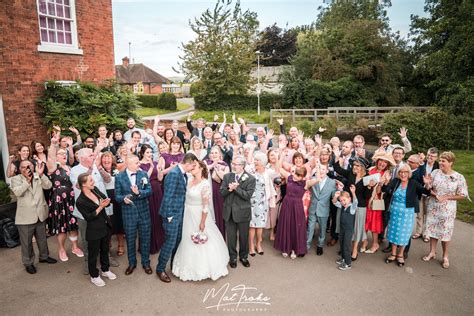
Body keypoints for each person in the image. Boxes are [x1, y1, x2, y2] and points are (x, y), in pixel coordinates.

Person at [172, 161, 229, 281]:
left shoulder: (205, 185)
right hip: (187, 214)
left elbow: (205, 206)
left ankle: (204, 267)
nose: (192, 167)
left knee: (201, 237)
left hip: (198, 215)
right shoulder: (188, 180)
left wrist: (202, 222)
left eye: (195, 166)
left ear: (202, 169)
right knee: (188, 238)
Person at [156, 153, 198, 283]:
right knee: (170, 242)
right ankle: (160, 269)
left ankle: (174, 265)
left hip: (180, 213)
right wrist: (169, 216)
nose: (194, 167)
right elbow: (167, 197)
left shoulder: (183, 174)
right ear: (188, 163)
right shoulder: (174, 174)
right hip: (171, 215)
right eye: (193, 165)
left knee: (178, 240)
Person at [422, 151, 468, 269]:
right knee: (432, 229)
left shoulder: (458, 177)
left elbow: (463, 195)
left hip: (448, 210)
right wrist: (427, 185)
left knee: (445, 233)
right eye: (440, 160)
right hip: (433, 206)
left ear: (451, 162)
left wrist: (447, 197)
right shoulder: (435, 172)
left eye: (443, 161)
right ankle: (432, 252)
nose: (441, 163)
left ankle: (445, 256)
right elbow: (429, 189)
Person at [70, 147, 113, 274]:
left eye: (93, 154)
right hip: (86, 212)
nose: (94, 156)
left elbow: (108, 180)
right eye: (91, 155)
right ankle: (88, 262)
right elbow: (78, 185)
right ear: (82, 158)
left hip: (103, 208)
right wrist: (91, 168)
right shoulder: (75, 170)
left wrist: (99, 168)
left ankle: (107, 258)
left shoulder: (96, 166)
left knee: (106, 234)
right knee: (87, 238)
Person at [11, 160, 57, 274]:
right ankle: (28, 263)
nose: (26, 169)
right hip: (25, 217)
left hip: (40, 214)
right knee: (26, 242)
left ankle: (44, 257)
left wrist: (41, 174)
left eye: (28, 166)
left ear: (33, 167)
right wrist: (27, 181)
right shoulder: (15, 179)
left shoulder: (38, 175)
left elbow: (48, 186)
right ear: (19, 169)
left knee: (42, 239)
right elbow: (17, 193)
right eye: (23, 167)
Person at [380, 164, 430, 267]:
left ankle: (400, 255)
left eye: (405, 172)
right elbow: (385, 190)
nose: (403, 174)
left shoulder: (413, 183)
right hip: (394, 211)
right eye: (401, 172)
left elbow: (425, 192)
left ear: (409, 173)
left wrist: (427, 184)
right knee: (393, 232)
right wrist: (385, 182)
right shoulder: (395, 181)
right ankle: (393, 253)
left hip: (407, 213)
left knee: (404, 234)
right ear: (398, 173)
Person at [76, 173, 117, 287]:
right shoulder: (80, 201)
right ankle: (94, 276)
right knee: (93, 254)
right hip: (93, 230)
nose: (93, 182)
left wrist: (106, 202)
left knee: (105, 250)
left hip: (105, 225)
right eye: (90, 181)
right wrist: (101, 207)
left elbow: (105, 201)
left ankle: (105, 270)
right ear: (84, 184)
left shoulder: (95, 190)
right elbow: (89, 217)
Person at [47, 135, 83, 262]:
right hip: (59, 201)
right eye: (61, 153)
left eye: (65, 153)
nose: (64, 155)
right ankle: (61, 249)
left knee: (73, 225)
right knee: (62, 226)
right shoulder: (53, 167)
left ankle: (74, 247)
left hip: (71, 199)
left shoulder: (70, 168)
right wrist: (53, 144)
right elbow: (50, 158)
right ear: (56, 156)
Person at [115, 155, 153, 275]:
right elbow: (117, 196)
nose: (139, 164)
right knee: (130, 240)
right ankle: (132, 263)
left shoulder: (143, 174)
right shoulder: (119, 177)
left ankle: (146, 263)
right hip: (128, 213)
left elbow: (149, 191)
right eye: (136, 163)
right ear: (128, 164)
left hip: (144, 212)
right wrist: (124, 199)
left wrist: (139, 193)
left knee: (145, 239)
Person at [220, 156, 256, 268]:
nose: (234, 166)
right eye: (233, 163)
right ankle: (233, 257)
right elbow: (221, 193)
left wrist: (236, 189)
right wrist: (229, 189)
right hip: (229, 212)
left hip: (243, 212)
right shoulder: (227, 176)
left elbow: (247, 196)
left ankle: (244, 257)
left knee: (243, 237)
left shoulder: (250, 178)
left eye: (237, 164)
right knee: (231, 237)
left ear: (243, 166)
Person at [245, 151, 276, 256]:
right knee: (252, 225)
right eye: (255, 159)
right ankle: (251, 246)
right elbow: (246, 166)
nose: (255, 161)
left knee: (260, 225)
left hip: (263, 202)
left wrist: (278, 154)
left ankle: (258, 244)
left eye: (258, 160)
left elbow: (277, 172)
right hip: (252, 201)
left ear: (263, 162)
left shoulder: (268, 172)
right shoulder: (251, 171)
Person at [363, 151, 395, 254]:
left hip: (377, 201)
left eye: (385, 162)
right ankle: (364, 241)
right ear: (377, 161)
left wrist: (380, 184)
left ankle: (375, 244)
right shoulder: (370, 169)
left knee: (374, 223)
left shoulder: (386, 174)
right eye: (381, 161)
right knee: (364, 221)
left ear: (387, 164)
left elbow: (379, 192)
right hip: (366, 198)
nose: (382, 163)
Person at [305, 163, 337, 256]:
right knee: (310, 228)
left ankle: (320, 245)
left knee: (322, 229)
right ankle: (306, 245)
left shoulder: (332, 182)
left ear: (327, 171)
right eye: (319, 169)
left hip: (324, 209)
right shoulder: (313, 180)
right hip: (313, 207)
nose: (321, 171)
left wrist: (336, 195)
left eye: (323, 169)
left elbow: (333, 195)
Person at [139, 144, 165, 255]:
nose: (150, 154)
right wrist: (150, 167)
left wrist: (159, 170)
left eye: (151, 152)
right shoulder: (139, 164)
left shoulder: (155, 163)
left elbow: (160, 178)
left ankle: (160, 242)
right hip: (147, 192)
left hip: (157, 190)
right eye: (147, 152)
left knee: (159, 216)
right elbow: (144, 179)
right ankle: (150, 245)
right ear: (142, 153)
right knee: (150, 217)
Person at [100, 152, 125, 256]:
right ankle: (108, 245)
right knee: (107, 223)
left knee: (119, 222)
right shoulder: (99, 170)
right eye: (104, 158)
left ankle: (120, 245)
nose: (106, 160)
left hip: (117, 196)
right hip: (105, 197)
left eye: (108, 158)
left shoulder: (117, 169)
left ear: (112, 159)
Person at [413, 147, 439, 242]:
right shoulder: (421, 163)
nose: (430, 157)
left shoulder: (438, 166)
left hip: (431, 193)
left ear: (436, 157)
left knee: (428, 214)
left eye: (432, 156)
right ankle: (418, 231)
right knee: (419, 213)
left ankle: (426, 233)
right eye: (428, 155)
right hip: (420, 191)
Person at [205, 146, 229, 237]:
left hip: (219, 193)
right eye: (212, 153)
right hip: (208, 192)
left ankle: (220, 237)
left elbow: (225, 178)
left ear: (220, 154)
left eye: (216, 153)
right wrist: (213, 165)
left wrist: (217, 169)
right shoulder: (206, 163)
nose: (214, 154)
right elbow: (203, 172)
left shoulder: (225, 165)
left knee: (219, 213)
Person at [333, 186, 358, 271]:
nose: (343, 202)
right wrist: (336, 196)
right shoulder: (343, 206)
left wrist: (353, 192)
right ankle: (343, 258)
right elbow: (334, 202)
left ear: (349, 199)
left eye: (344, 200)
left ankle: (348, 263)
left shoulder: (352, 208)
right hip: (342, 228)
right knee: (342, 243)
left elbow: (356, 202)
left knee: (346, 246)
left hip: (348, 230)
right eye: (341, 200)